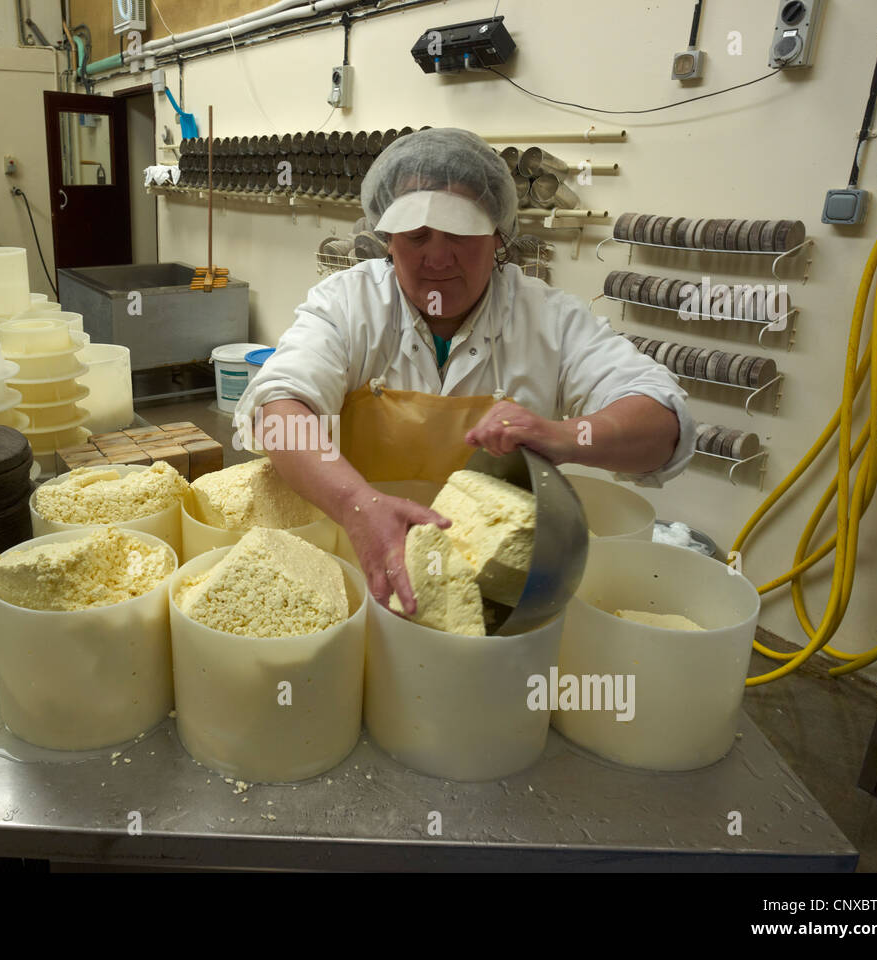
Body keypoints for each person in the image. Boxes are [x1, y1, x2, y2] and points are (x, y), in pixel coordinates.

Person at [236, 128, 694, 614]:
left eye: (459, 233)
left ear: (498, 234)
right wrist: (355, 504)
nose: (437, 257)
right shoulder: (350, 305)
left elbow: (665, 425)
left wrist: (565, 435)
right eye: (416, 236)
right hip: (358, 575)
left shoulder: (547, 320)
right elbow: (279, 411)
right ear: (387, 238)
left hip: (496, 595)